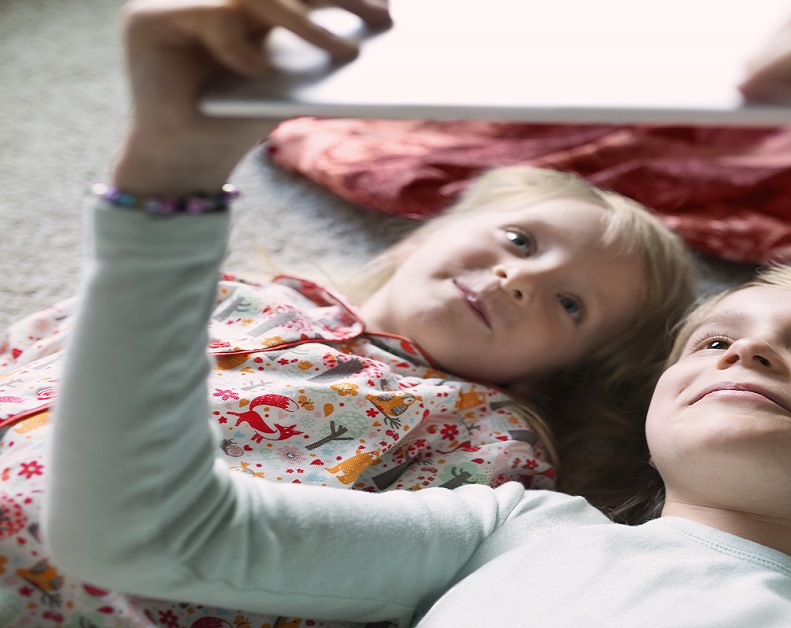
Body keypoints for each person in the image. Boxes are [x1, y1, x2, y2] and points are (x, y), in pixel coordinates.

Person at [38, 0, 791, 626]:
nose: (748, 344)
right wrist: (167, 178)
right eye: (713, 340)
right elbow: (140, 533)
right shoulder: (512, 525)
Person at [0, 3, 695, 626]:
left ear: (558, 373)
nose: (519, 278)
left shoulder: (496, 438)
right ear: (431, 229)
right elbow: (45, 346)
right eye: (520, 240)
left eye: (571, 304)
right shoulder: (237, 290)